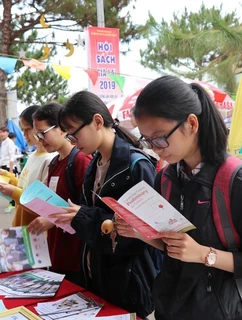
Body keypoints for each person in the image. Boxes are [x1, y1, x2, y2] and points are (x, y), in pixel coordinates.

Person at [115, 75, 242, 320]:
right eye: (147, 140)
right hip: (170, 306)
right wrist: (141, 233)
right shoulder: (166, 178)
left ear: (192, 124)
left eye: (160, 137)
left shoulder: (236, 180)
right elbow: (173, 247)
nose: (155, 148)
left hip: (221, 310)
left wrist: (205, 254)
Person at [50, 91, 158, 318]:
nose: (72, 142)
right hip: (99, 277)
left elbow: (144, 235)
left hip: (129, 284)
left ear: (97, 122)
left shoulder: (136, 166)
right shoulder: (95, 164)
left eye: (74, 134)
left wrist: (83, 217)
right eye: (68, 136)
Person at [27, 102, 92, 287]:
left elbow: (88, 209)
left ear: (62, 130)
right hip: (56, 252)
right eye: (37, 135)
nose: (40, 139)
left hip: (75, 256)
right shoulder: (54, 162)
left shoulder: (81, 160)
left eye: (43, 133)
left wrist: (52, 219)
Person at [0, 105, 57, 227]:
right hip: (22, 225)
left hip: (35, 232)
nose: (24, 134)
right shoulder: (33, 155)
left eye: (27, 129)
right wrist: (8, 177)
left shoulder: (50, 160)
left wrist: (13, 192)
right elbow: (26, 187)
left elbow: (41, 204)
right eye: (23, 129)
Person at [0, 126, 17, 213]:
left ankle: (13, 204)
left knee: (10, 187)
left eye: (3, 132)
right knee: (5, 187)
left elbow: (11, 157)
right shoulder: (3, 142)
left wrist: (11, 170)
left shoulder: (10, 143)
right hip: (3, 166)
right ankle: (12, 203)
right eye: (0, 132)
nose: (1, 134)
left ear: (7, 133)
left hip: (8, 167)